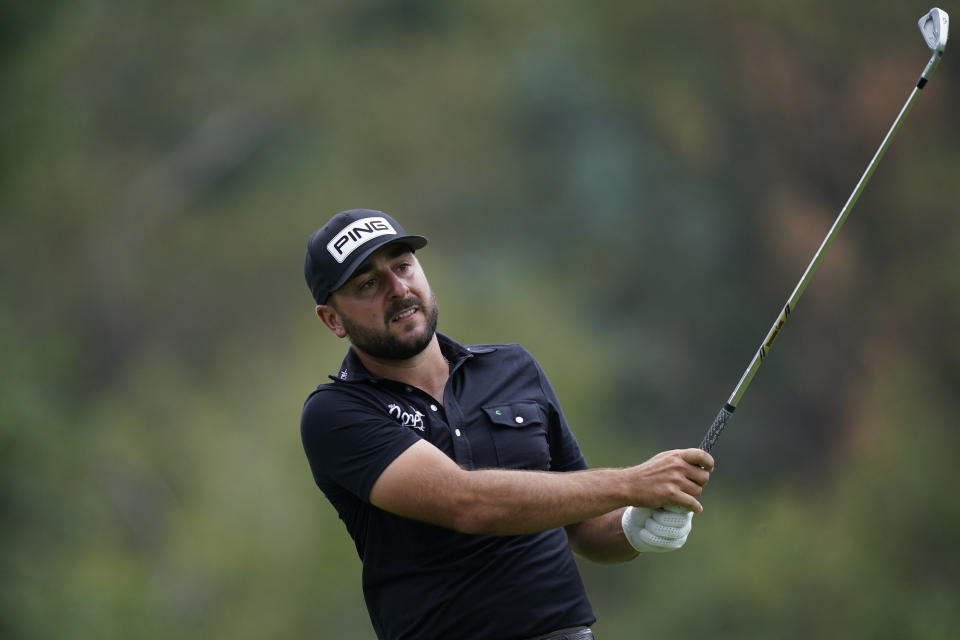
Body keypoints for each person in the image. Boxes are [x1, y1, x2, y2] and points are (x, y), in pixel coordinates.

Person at [300, 209, 714, 640]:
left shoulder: (513, 367)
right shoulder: (336, 413)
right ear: (333, 319)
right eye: (368, 283)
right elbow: (467, 503)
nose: (399, 289)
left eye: (403, 266)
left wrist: (635, 525)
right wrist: (633, 483)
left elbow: (586, 529)